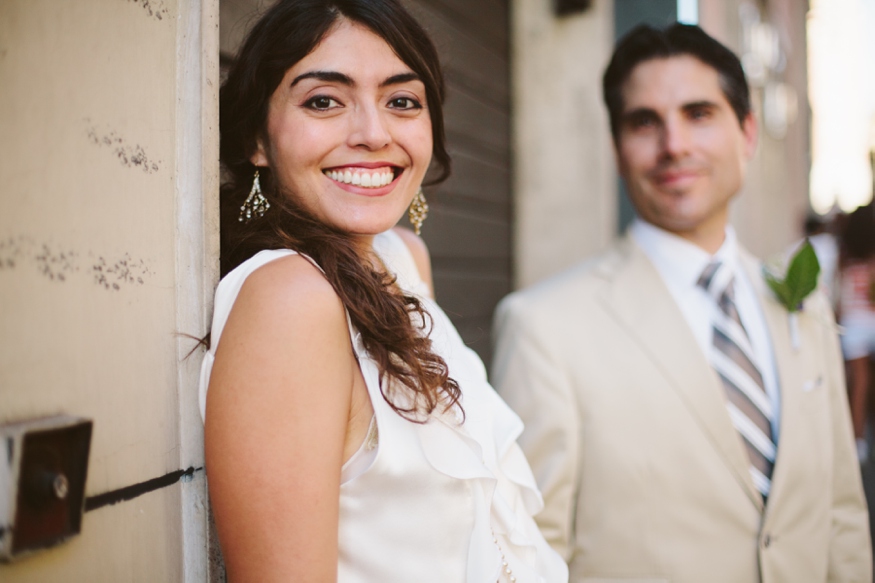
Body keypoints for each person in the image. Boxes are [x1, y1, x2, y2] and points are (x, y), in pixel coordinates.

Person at [198, 1, 567, 581]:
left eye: (402, 101)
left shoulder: (404, 259)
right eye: (323, 101)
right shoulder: (290, 300)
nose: (373, 134)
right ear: (257, 140)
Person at [492, 23, 871, 582]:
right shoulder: (543, 328)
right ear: (618, 150)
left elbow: (841, 515)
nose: (674, 145)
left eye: (699, 114)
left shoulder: (803, 304)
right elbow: (528, 552)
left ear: (746, 132)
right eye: (644, 122)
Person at [838, 203, 875, 461]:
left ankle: (857, 441)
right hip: (872, 317)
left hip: (853, 322)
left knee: (859, 384)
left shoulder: (845, 253)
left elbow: (841, 290)